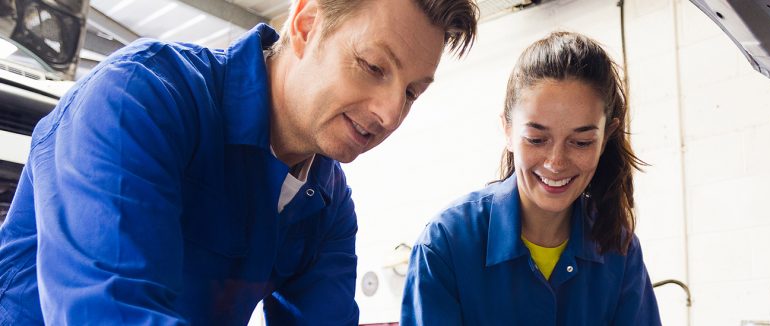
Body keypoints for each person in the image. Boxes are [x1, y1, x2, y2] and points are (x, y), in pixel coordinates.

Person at [0, 0, 477, 324]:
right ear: (307, 25)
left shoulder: (327, 204)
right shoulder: (142, 98)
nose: (391, 113)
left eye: (412, 92)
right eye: (373, 66)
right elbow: (111, 310)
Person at [401, 31, 661, 325]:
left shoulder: (619, 248)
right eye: (537, 139)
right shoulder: (445, 244)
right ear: (508, 131)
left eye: (582, 142)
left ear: (605, 138)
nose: (556, 162)